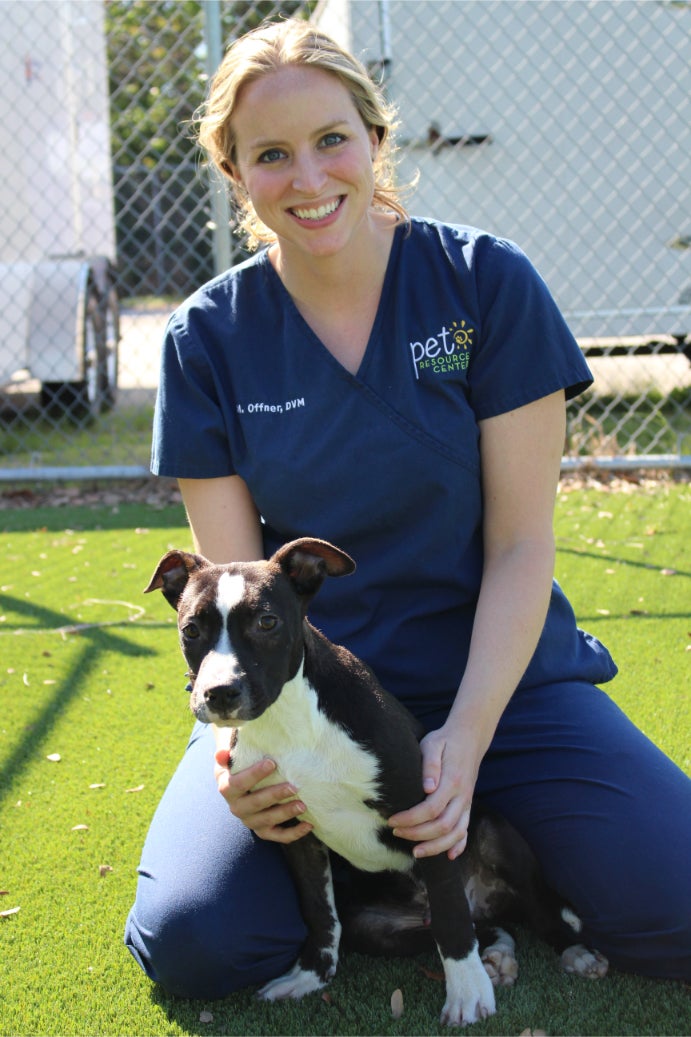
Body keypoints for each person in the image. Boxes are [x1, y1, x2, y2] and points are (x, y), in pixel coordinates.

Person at [124, 18, 691, 998]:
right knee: (196, 942)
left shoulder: (486, 284)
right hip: (302, 703)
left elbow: (520, 549)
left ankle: (473, 856)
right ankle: (377, 863)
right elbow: (229, 596)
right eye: (270, 155)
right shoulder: (204, 339)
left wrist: (461, 744)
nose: (307, 177)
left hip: (504, 692)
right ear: (234, 172)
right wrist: (239, 753)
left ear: (375, 138)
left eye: (332, 139)